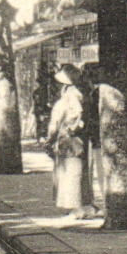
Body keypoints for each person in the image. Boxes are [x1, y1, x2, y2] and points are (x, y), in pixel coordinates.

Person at [43, 63, 95, 219]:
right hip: (77, 140)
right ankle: (86, 205)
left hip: (68, 140)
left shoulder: (68, 99)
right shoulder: (81, 96)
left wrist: (49, 140)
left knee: (71, 174)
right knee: (79, 172)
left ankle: (76, 208)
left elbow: (57, 123)